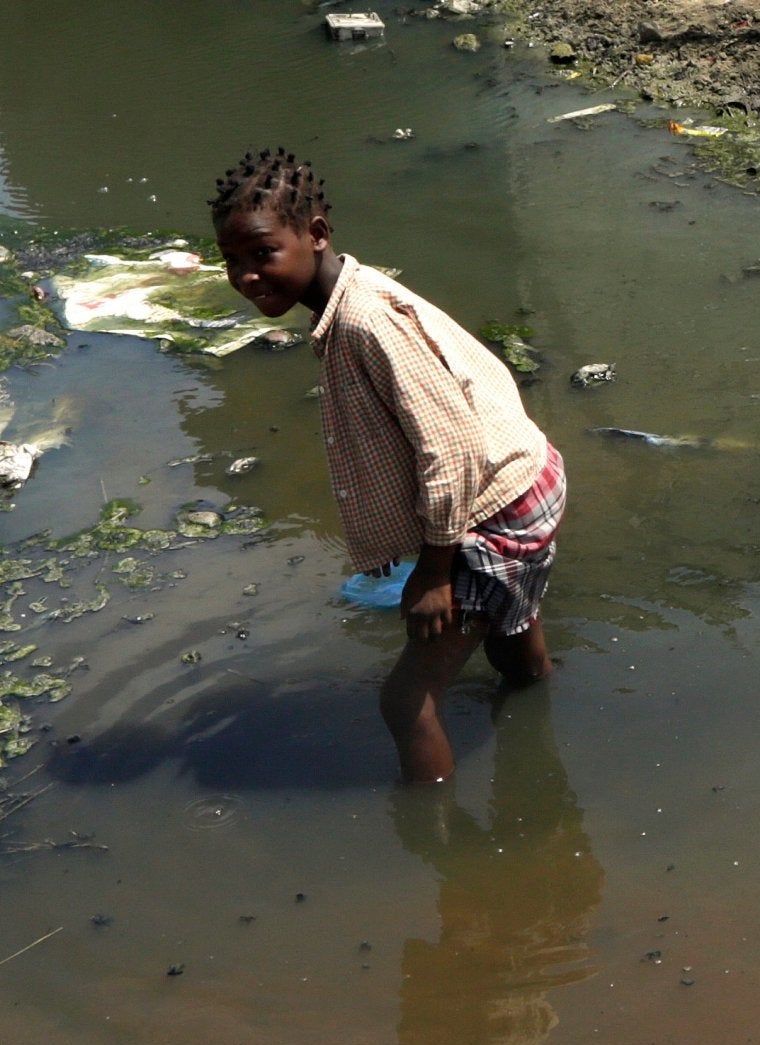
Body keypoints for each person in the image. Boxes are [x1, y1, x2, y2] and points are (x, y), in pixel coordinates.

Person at [210, 147, 565, 783]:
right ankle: (543, 765)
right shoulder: (359, 293)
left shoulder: (366, 322)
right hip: (523, 480)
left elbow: (450, 447)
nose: (246, 276)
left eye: (263, 253)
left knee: (406, 703)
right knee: (509, 635)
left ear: (316, 234)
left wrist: (434, 574)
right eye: (232, 261)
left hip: (495, 509)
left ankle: (439, 835)